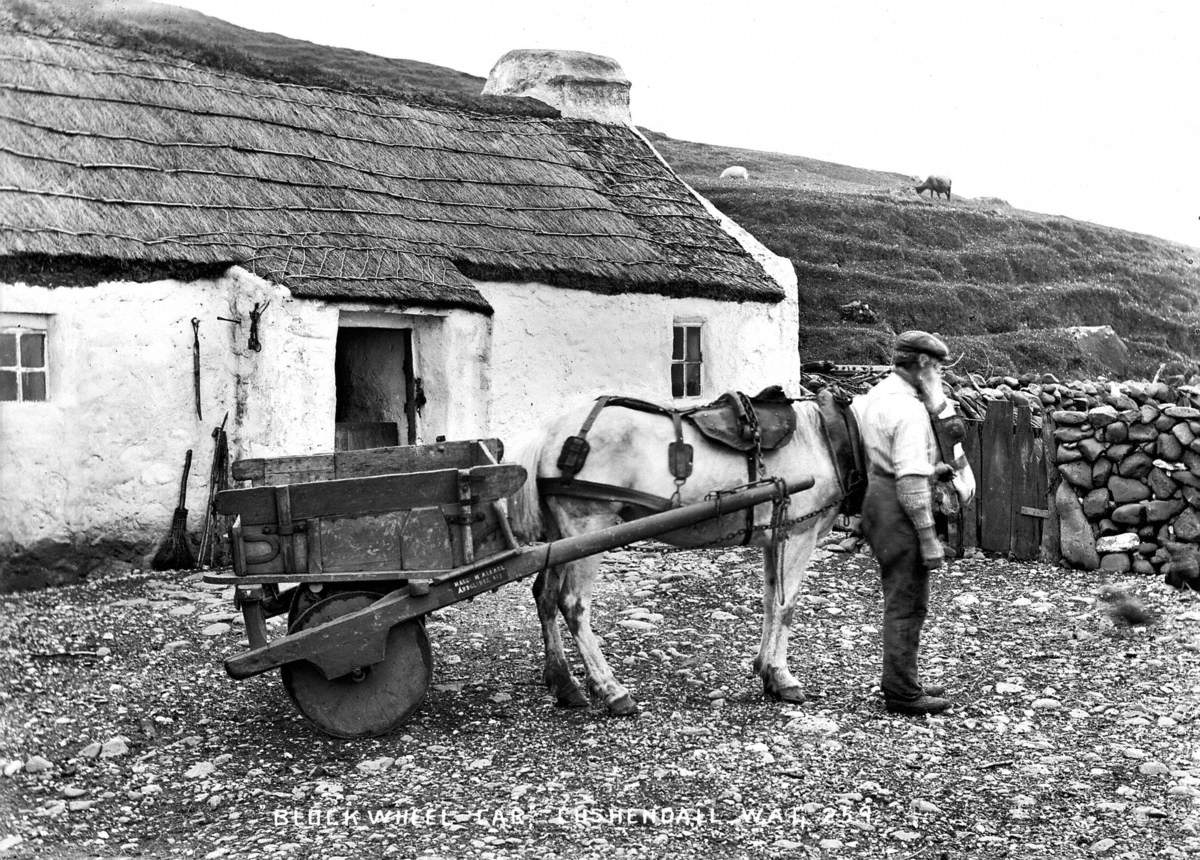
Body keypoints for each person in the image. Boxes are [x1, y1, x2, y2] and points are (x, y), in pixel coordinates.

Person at [854, 331, 954, 715]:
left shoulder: (878, 395)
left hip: (876, 498)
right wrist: (928, 538)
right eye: (938, 367)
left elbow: (891, 457)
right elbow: (911, 484)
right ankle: (902, 691)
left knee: (899, 594)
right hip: (899, 506)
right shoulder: (910, 410)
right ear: (924, 366)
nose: (941, 374)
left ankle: (904, 677)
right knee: (908, 601)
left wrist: (931, 468)